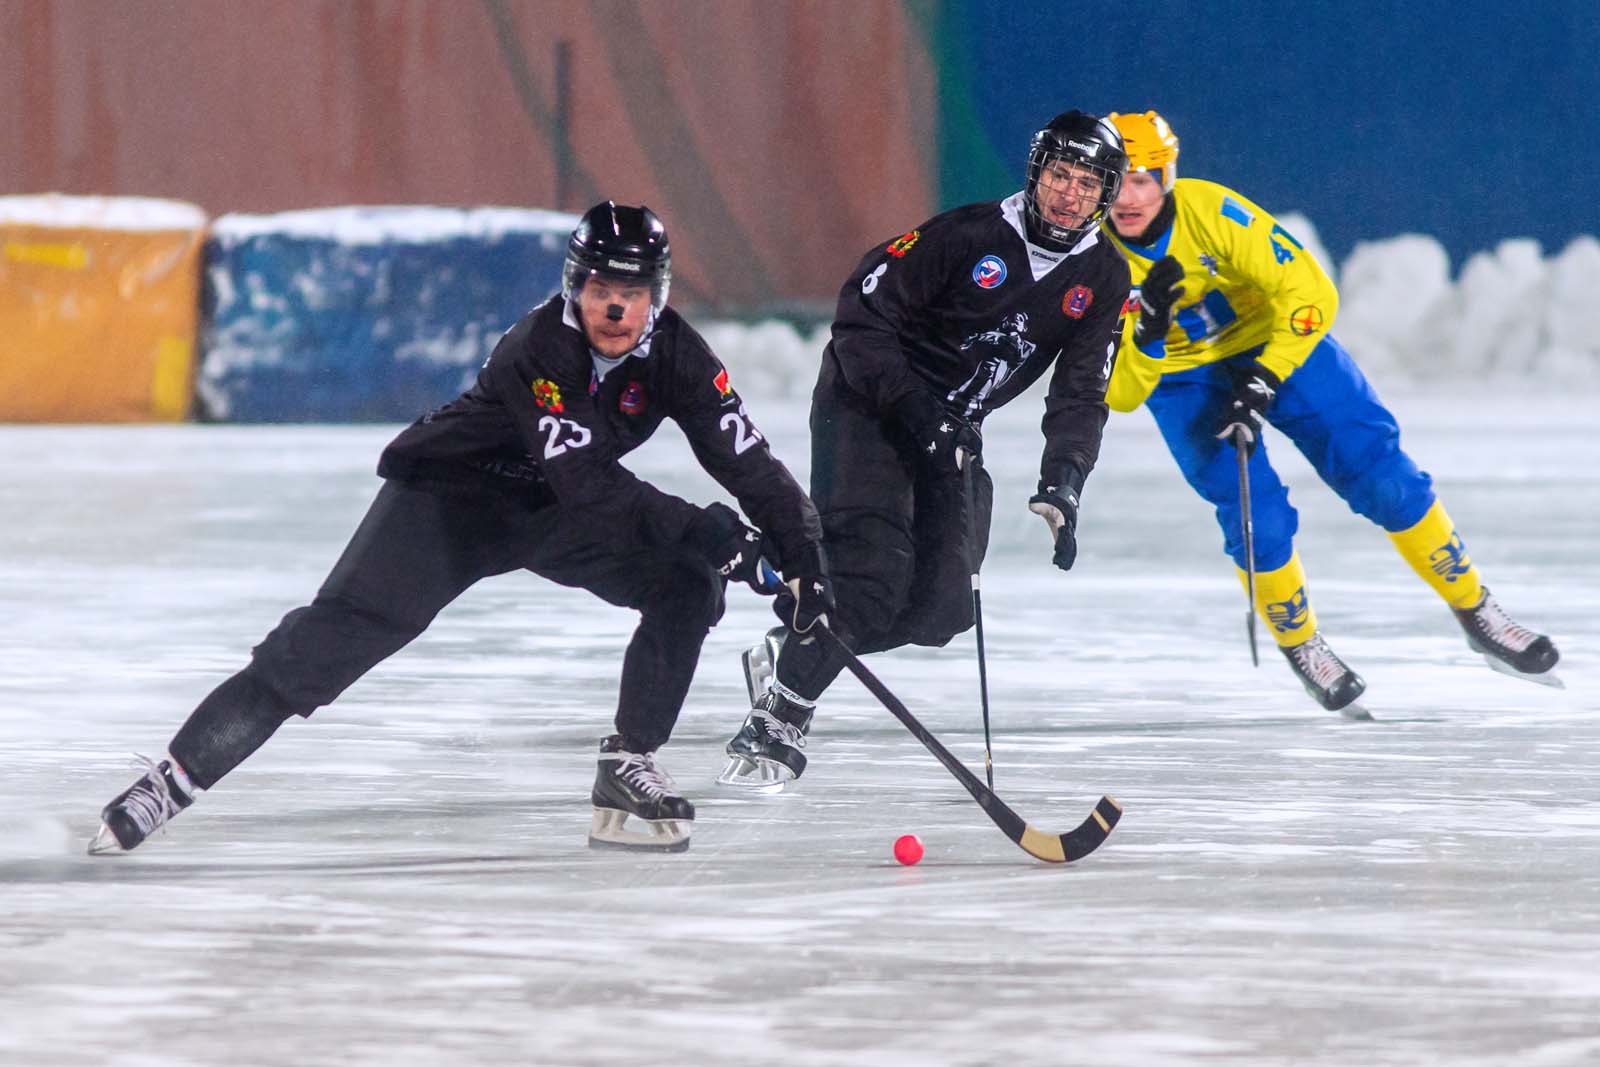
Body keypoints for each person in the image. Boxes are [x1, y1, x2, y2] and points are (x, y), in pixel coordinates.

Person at [89, 201, 829, 855]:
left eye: (630, 295)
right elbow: (588, 481)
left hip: (553, 512)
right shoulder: (538, 349)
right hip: (454, 501)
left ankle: (627, 764)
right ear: (576, 289)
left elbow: (748, 457)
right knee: (321, 647)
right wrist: (714, 532)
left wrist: (804, 559)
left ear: (657, 298)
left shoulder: (679, 357)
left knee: (685, 583)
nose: (613, 311)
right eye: (601, 290)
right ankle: (169, 781)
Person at [717, 111, 1132, 791]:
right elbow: (860, 314)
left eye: (1087, 183)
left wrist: (1064, 480)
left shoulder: (1103, 277)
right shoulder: (967, 235)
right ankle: (779, 714)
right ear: (1035, 173)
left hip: (952, 430)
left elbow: (1083, 392)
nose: (1068, 194)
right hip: (870, 406)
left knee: (942, 610)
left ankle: (796, 640)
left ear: (1105, 196)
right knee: (871, 578)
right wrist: (914, 409)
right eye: (1059, 174)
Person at [1099, 110, 1560, 712]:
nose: (1128, 197)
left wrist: (1266, 375)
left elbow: (1311, 290)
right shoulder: (1089, 261)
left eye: (1143, 179)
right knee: (1253, 518)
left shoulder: (1211, 212)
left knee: (1384, 476)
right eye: (1115, 180)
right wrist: (1150, 335)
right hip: (1181, 379)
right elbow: (1121, 394)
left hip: (1275, 346)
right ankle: (1302, 644)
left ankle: (1478, 610)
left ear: (1169, 177)